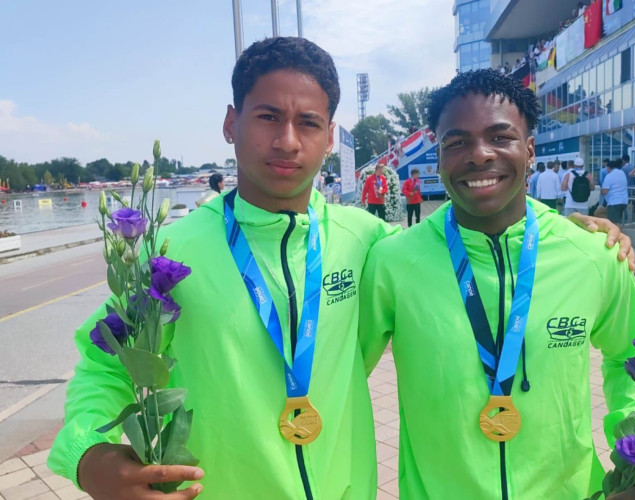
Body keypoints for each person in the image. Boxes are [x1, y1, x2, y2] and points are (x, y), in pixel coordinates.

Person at [48, 36, 400, 500]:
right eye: (268, 116)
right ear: (231, 123)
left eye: (308, 123)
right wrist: (88, 454)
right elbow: (107, 365)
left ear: (330, 137)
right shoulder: (170, 254)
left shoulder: (368, 241)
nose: (287, 141)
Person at [358, 68, 635, 500]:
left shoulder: (593, 255)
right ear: (439, 158)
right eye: (456, 142)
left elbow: (633, 362)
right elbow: (340, 374)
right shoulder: (393, 262)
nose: (479, 155)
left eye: (500, 137)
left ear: (530, 149)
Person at [601, 159, 628, 225]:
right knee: (618, 221)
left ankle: (617, 235)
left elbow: (604, 191)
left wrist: (601, 192)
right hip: (624, 201)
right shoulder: (622, 173)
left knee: (614, 224)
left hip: (614, 202)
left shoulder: (609, 176)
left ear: (608, 167)